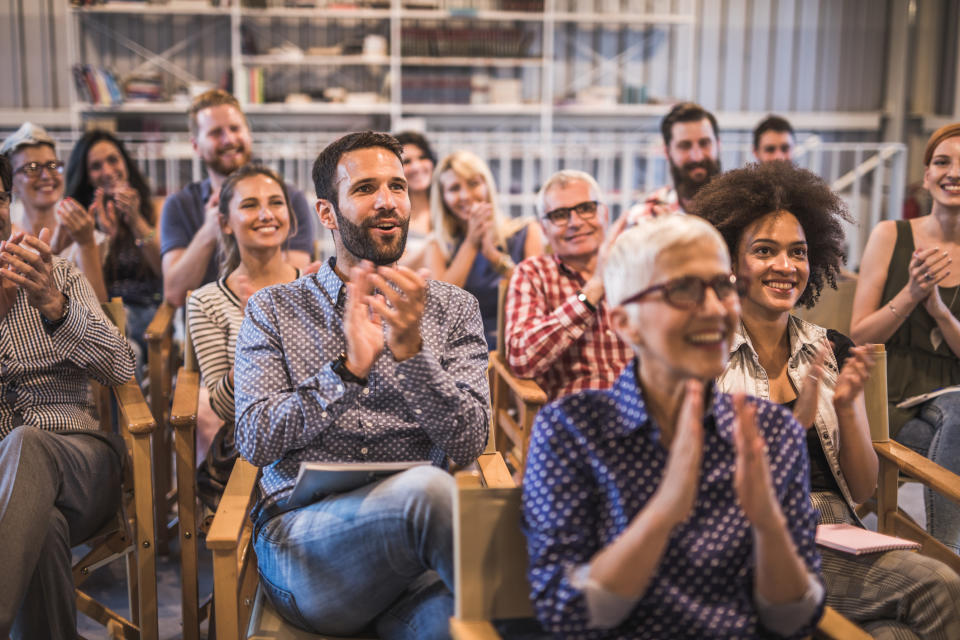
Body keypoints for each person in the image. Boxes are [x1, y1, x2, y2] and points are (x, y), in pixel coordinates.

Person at [233, 132, 489, 638]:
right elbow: (254, 439)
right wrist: (347, 371)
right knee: (430, 492)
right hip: (306, 550)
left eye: (398, 186)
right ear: (327, 214)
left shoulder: (453, 308)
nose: (388, 201)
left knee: (455, 628)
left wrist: (412, 353)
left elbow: (468, 441)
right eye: (367, 188)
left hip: (414, 567)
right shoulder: (274, 310)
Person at [523, 214, 824, 639]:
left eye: (723, 287)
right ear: (624, 323)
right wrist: (664, 510)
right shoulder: (572, 429)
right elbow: (568, 614)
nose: (717, 310)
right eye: (683, 290)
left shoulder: (770, 432)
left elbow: (794, 621)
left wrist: (768, 523)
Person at [699, 161, 960, 638]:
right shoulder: (703, 357)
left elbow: (861, 491)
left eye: (798, 252)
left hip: (837, 530)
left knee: (895, 635)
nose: (785, 266)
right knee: (940, 585)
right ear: (730, 264)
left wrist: (844, 407)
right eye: (764, 251)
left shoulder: (832, 349)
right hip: (749, 541)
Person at [0, 153, 137, 638]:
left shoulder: (56, 273)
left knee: (25, 441)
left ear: (9, 204)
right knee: (42, 529)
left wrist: (56, 308)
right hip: (10, 494)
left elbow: (121, 367)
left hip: (81, 461)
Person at [851, 122, 960, 554]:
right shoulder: (890, 235)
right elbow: (860, 334)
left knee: (957, 415)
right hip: (888, 396)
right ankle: (950, 557)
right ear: (927, 174)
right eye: (942, 162)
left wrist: (938, 309)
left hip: (949, 400)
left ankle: (941, 553)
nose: (953, 173)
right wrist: (913, 293)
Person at [187, 164, 301, 509]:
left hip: (317, 427)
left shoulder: (311, 286)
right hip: (253, 445)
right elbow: (222, 405)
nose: (266, 214)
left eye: (276, 203)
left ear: (290, 217)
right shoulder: (206, 301)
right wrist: (259, 338)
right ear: (225, 222)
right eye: (250, 205)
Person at [160, 89, 315, 307]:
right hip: (205, 322)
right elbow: (175, 294)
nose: (229, 139)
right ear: (196, 146)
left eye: (235, 128)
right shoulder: (178, 205)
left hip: (279, 319)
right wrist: (210, 230)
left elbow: (295, 280)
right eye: (215, 133)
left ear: (248, 133)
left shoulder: (290, 199)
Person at [505, 169, 631, 400]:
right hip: (577, 415)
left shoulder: (635, 266)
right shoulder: (533, 274)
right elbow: (521, 359)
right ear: (544, 228)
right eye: (560, 215)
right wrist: (593, 288)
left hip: (647, 409)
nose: (575, 222)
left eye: (585, 209)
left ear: (603, 213)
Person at [425, 149, 542, 349]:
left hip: (516, 348)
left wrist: (494, 257)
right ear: (443, 197)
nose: (465, 195)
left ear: (487, 185)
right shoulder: (438, 245)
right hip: (462, 353)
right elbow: (440, 306)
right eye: (454, 188)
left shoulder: (527, 230)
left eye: (473, 184)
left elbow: (537, 293)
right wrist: (471, 242)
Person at [65, 129, 162, 366]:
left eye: (113, 160)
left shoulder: (155, 208)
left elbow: (164, 268)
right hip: (102, 315)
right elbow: (84, 288)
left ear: (125, 162)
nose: (108, 171)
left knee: (127, 348)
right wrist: (103, 238)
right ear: (86, 176)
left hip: (147, 311)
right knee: (123, 349)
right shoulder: (79, 219)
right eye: (96, 166)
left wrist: (136, 220)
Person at [0, 122, 108, 302]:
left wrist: (86, 244)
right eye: (32, 168)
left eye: (52, 165)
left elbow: (103, 312)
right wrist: (54, 252)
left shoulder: (84, 233)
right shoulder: (7, 240)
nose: (46, 176)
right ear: (12, 184)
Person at [627, 102, 721, 221]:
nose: (697, 157)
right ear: (667, 152)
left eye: (704, 143)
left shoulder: (740, 215)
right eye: (685, 146)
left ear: (718, 145)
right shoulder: (647, 218)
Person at [394, 131, 435, 270]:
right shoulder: (393, 218)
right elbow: (395, 269)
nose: (417, 167)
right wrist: (433, 244)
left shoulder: (450, 209)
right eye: (407, 162)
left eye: (422, 157)